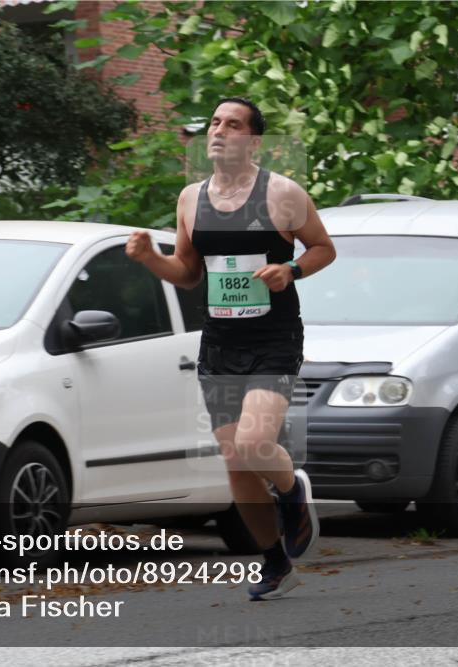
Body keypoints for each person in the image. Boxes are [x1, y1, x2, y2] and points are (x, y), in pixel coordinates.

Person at [126, 97, 336, 601]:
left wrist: (292, 270)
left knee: (252, 443)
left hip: (274, 339)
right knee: (235, 462)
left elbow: (324, 248)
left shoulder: (282, 193)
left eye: (233, 124)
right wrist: (151, 260)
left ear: (253, 140)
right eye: (215, 122)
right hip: (220, 342)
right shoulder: (190, 199)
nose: (220, 131)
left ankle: (291, 493)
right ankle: (274, 561)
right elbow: (190, 273)